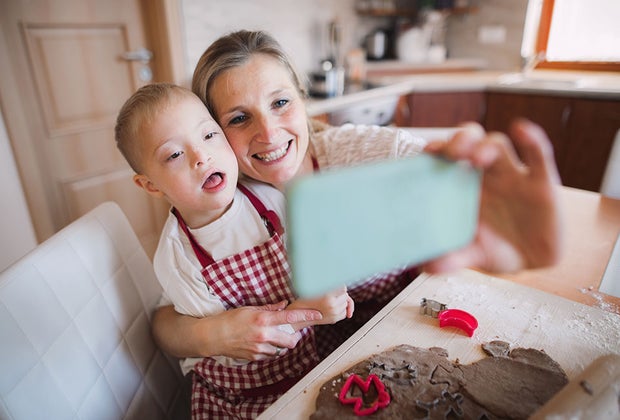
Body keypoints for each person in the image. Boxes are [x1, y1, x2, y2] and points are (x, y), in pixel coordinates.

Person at [152, 29, 563, 376]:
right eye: (239, 118)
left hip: (415, 334)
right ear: (214, 132)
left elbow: (464, 194)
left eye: (280, 103)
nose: (269, 132)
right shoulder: (221, 204)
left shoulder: (368, 156)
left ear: (302, 98)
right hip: (327, 367)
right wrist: (214, 334)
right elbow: (163, 320)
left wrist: (482, 201)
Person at [114, 83, 354, 418]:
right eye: (174, 155)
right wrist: (307, 311)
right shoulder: (178, 259)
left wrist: (328, 286)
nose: (201, 157)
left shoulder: (267, 198)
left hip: (308, 361)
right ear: (150, 185)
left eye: (209, 136)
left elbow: (311, 257)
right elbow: (235, 346)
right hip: (242, 395)